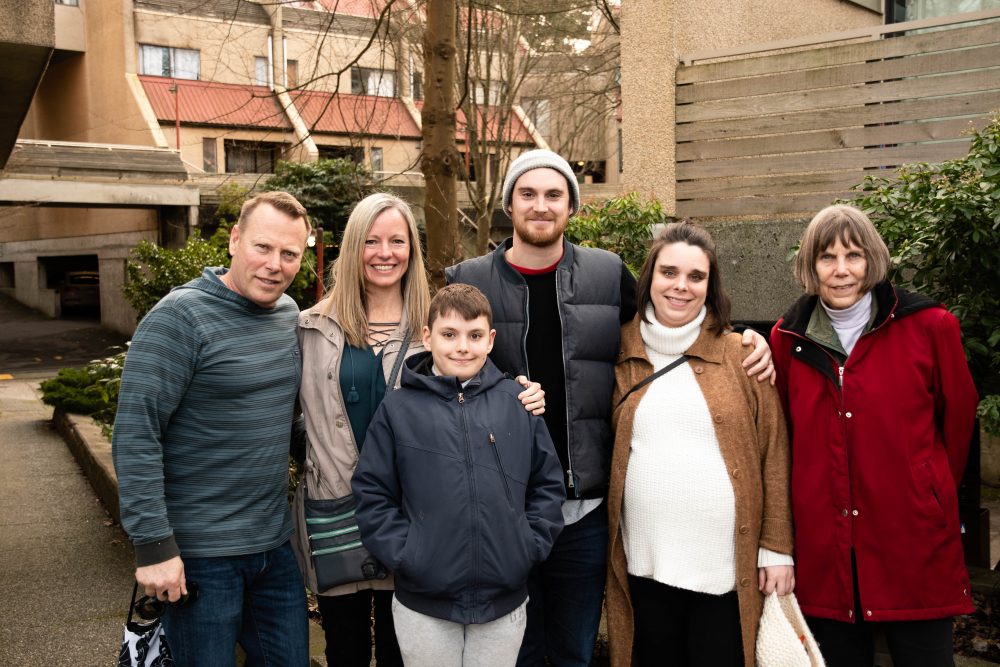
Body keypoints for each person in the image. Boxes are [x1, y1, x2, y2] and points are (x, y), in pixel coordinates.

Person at [445, 149, 776, 666]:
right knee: (512, 652)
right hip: (499, 506)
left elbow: (665, 328)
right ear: (509, 203)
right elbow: (441, 369)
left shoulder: (604, 274)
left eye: (554, 195)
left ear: (572, 206)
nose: (540, 206)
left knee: (574, 651)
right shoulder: (467, 278)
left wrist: (748, 342)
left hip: (585, 510)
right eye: (527, 194)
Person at [292, 193, 544, 667]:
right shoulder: (310, 327)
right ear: (353, 247)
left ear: (412, 248)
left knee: (399, 652)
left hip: (420, 529)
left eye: (397, 240)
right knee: (343, 649)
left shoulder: (438, 326)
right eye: (371, 241)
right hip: (338, 517)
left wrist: (528, 394)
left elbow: (489, 389)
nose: (384, 252)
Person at [770, 204, 979, 667]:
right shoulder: (787, 339)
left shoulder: (930, 326)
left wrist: (929, 488)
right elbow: (782, 436)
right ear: (810, 265)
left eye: (854, 255)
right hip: (826, 548)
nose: (842, 270)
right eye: (827, 257)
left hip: (914, 541)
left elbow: (958, 421)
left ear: (873, 260)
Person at [112, 191, 312, 665]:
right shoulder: (180, 318)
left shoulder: (287, 315)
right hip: (200, 557)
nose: (274, 265)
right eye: (263, 247)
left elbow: (286, 419)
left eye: (290, 254)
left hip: (273, 547)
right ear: (235, 240)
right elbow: (137, 431)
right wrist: (153, 546)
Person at [605, 222, 793, 667]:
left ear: (710, 286)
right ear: (649, 276)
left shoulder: (741, 355)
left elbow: (774, 454)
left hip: (725, 573)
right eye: (669, 272)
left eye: (696, 277)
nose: (681, 287)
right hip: (643, 568)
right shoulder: (615, 353)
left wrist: (777, 548)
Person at [352, 283, 566, 667]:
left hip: (503, 599)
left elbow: (547, 485)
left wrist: (527, 546)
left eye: (474, 336)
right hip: (424, 603)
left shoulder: (517, 403)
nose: (462, 347)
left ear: (491, 340)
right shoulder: (398, 409)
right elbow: (372, 492)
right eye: (449, 335)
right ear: (427, 337)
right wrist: (407, 553)